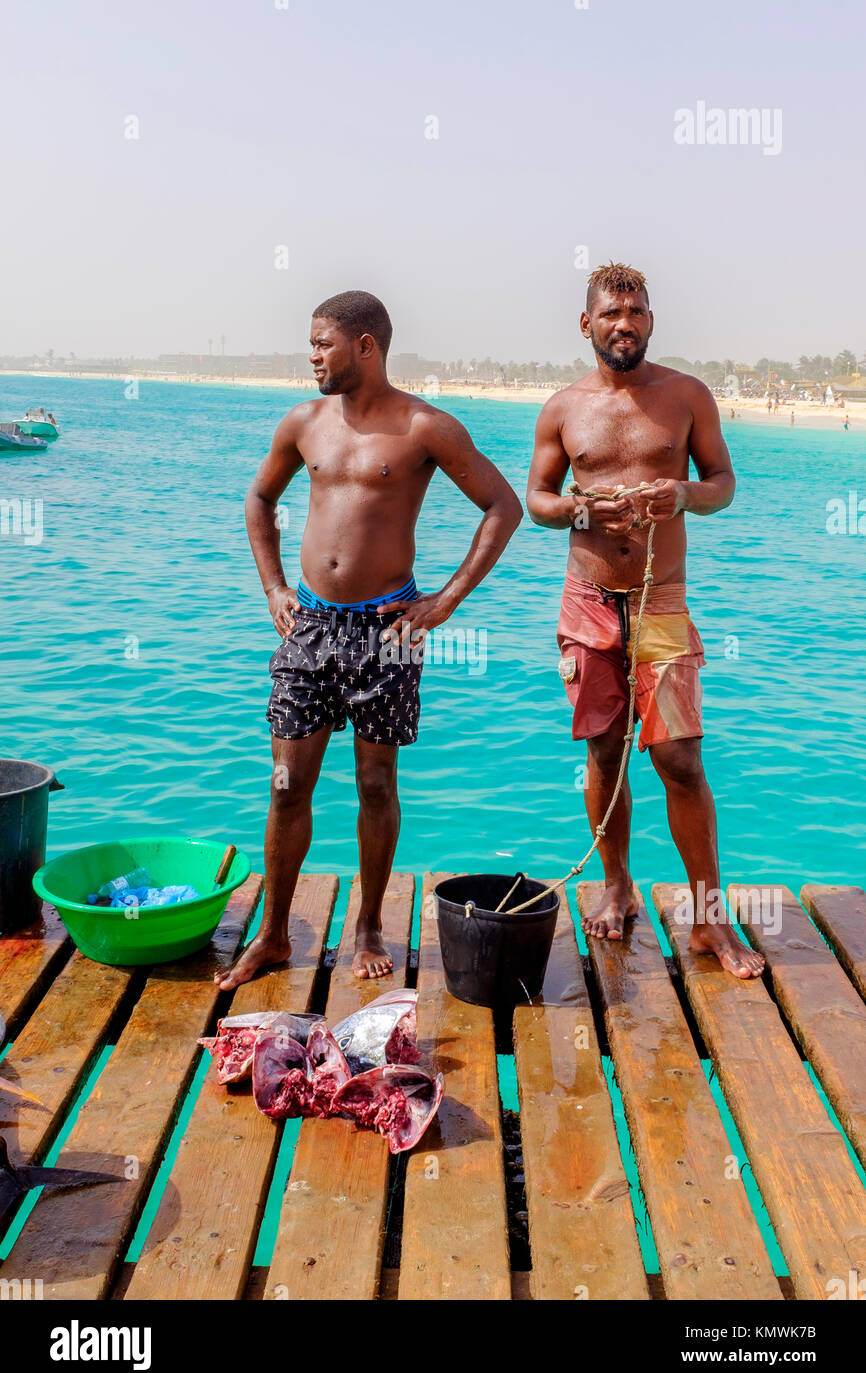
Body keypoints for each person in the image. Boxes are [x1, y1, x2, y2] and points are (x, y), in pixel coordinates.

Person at [216, 291, 522, 988]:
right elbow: (259, 500)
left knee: (376, 785)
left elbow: (502, 508)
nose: (313, 355)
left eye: (323, 342)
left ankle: (369, 926)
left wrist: (445, 600)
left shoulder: (425, 428)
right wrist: (272, 586)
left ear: (366, 346)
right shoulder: (304, 422)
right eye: (311, 342)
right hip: (311, 624)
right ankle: (270, 936)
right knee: (289, 784)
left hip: (390, 627)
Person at [526, 261, 764, 979]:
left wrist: (687, 494)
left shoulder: (686, 396)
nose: (623, 323)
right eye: (610, 313)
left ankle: (709, 921)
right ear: (586, 323)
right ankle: (617, 888)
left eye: (635, 312)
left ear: (650, 320)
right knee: (603, 753)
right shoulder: (563, 409)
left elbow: (724, 483)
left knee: (679, 760)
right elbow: (536, 498)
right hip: (588, 602)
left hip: (661, 601)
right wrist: (574, 508)